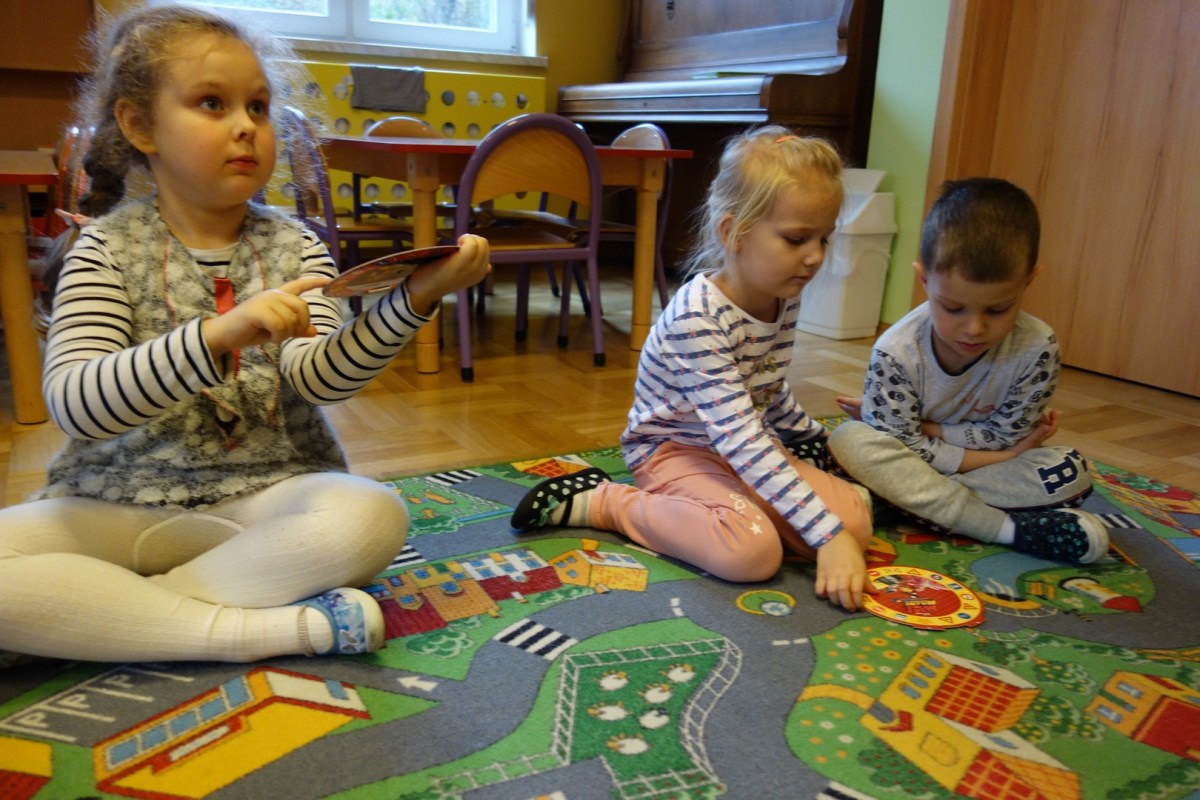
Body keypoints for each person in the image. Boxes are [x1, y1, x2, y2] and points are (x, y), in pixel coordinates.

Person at [0, 3, 490, 667]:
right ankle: (246, 631)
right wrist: (213, 337)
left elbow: (322, 377)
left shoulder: (296, 245)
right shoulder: (105, 249)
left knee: (373, 515)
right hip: (112, 504)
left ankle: (111, 617)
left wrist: (415, 298)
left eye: (258, 107)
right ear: (139, 125)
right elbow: (76, 404)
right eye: (212, 103)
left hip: (268, 499)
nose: (245, 127)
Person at [511, 126, 876, 612]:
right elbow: (739, 436)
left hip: (743, 446)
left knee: (856, 524)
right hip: (674, 450)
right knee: (752, 552)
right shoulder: (697, 318)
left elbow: (765, 383)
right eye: (796, 238)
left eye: (823, 238)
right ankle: (605, 502)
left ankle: (747, 505)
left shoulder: (783, 292)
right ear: (733, 233)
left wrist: (810, 438)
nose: (814, 257)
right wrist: (824, 534)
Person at [828, 178, 1108, 563]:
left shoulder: (1038, 348)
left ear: (1028, 282)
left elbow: (1003, 435)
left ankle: (894, 501)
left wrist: (928, 429)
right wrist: (1008, 454)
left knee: (1069, 469)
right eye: (953, 308)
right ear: (924, 279)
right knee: (851, 439)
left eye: (998, 309)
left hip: (940, 464)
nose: (974, 329)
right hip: (963, 462)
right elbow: (902, 444)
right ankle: (1005, 528)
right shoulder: (895, 351)